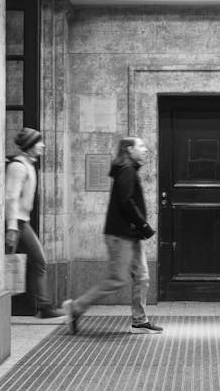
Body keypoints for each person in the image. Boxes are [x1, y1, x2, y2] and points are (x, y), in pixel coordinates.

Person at [63, 136, 163, 335]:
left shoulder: (128, 169)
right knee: (117, 279)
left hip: (130, 234)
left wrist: (140, 228)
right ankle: (76, 307)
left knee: (142, 277)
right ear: (128, 149)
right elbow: (126, 202)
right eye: (140, 146)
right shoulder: (126, 171)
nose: (145, 149)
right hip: (121, 235)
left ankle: (139, 320)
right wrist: (143, 224)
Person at [5, 127, 63, 319]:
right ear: (30, 145)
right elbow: (10, 198)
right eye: (39, 142)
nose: (43, 145)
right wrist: (12, 227)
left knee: (38, 262)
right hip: (17, 223)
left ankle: (41, 305)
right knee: (35, 262)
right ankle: (41, 306)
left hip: (23, 221)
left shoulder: (28, 165)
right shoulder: (18, 167)